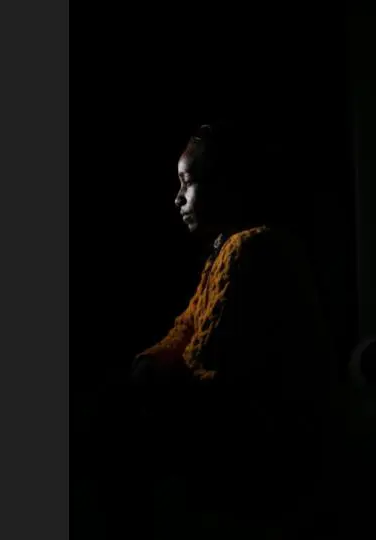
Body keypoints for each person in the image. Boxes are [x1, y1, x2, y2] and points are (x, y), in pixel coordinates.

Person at [93, 123, 335, 536]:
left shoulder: (251, 249)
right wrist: (149, 363)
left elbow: (205, 369)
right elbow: (185, 328)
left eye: (187, 182)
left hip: (268, 458)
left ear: (225, 184)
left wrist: (145, 385)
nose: (177, 197)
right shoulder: (225, 249)